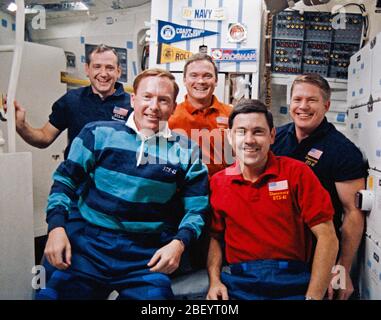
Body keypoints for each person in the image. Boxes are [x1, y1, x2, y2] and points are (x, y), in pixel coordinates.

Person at [36, 68, 209, 300]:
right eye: (147, 97)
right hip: (87, 245)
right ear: (133, 99)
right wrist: (56, 229)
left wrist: (179, 243)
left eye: (163, 100)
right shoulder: (98, 133)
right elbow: (64, 182)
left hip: (145, 254)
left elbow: (197, 209)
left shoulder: (186, 151)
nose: (154, 106)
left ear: (174, 107)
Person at [207, 99, 338, 300]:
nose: (249, 139)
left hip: (294, 283)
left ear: (272, 136)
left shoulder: (297, 173)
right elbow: (215, 238)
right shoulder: (218, 182)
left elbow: (327, 237)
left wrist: (313, 296)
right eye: (241, 131)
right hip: (239, 284)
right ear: (230, 137)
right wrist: (215, 281)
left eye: (258, 131)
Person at [271, 74, 368, 300]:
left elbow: (352, 213)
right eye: (297, 99)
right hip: (275, 252)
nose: (303, 106)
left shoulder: (343, 151)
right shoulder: (275, 138)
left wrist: (342, 266)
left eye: (311, 100)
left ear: (326, 105)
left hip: (317, 256)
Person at [12, 44, 131, 159]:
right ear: (87, 69)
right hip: (75, 177)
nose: (103, 74)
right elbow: (45, 138)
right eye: (97, 66)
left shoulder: (131, 105)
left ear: (118, 72)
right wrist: (21, 126)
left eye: (110, 68)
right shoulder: (72, 100)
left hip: (112, 178)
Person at [168, 53, 233, 177]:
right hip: (183, 191)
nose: (201, 81)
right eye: (194, 75)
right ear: (184, 80)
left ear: (216, 80)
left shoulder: (232, 115)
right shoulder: (170, 116)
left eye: (207, 76)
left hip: (222, 189)